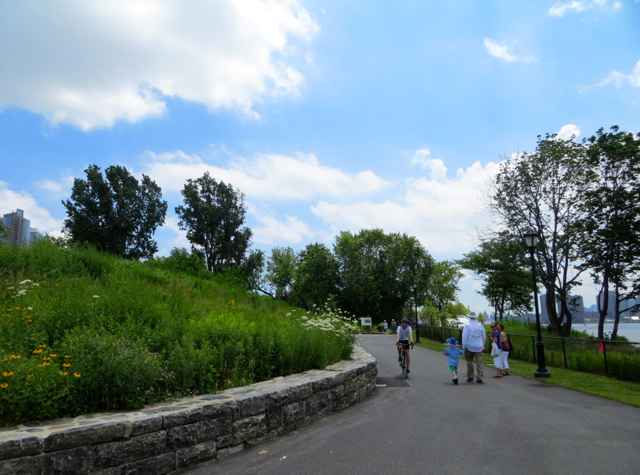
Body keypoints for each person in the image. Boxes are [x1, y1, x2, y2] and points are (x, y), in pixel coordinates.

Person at [461, 312, 486, 383]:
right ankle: (480, 377)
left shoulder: (467, 325)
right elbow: (483, 336)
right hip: (478, 345)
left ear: (469, 317)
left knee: (469, 360)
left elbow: (465, 336)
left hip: (469, 345)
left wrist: (464, 345)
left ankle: (470, 376)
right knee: (480, 362)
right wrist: (483, 344)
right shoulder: (480, 325)